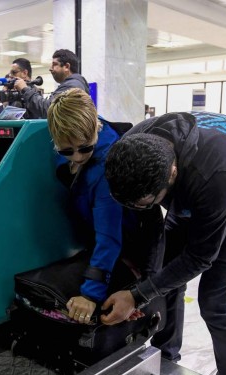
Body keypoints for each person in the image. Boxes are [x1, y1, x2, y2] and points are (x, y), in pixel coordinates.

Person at [103, 111, 226, 375]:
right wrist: (144, 286)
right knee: (167, 276)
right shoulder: (131, 148)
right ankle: (165, 358)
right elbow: (151, 226)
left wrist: (137, 295)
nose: (142, 207)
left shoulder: (214, 177)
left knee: (217, 302)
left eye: (148, 202)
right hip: (195, 182)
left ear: (171, 173)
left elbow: (201, 256)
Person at [47, 88, 162, 324]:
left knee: (155, 310)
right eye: (67, 151)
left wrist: (90, 294)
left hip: (133, 245)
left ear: (96, 127)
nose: (77, 157)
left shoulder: (107, 167)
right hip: (106, 246)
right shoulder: (70, 147)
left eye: (85, 147)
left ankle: (169, 352)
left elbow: (108, 236)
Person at [13, 49, 89, 119]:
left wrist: (25, 89)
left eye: (55, 64)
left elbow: (48, 109)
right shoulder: (74, 84)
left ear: (66, 66)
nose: (50, 68)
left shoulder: (72, 86)